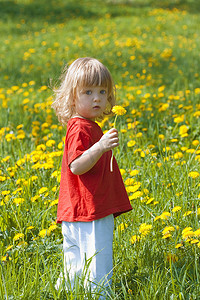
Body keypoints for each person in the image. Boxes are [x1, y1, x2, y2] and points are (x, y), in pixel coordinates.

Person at [52, 57, 132, 295]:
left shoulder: (85, 125)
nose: (97, 98)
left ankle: (66, 292)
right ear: (72, 97)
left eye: (102, 91)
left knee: (75, 262)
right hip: (90, 209)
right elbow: (76, 166)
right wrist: (100, 146)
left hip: (78, 209)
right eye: (88, 91)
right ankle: (99, 295)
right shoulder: (81, 127)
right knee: (98, 260)